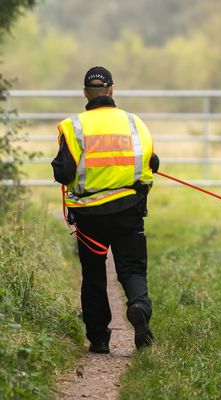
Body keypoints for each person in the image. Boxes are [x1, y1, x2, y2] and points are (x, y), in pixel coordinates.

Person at [51, 66, 159, 353]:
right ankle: (138, 307)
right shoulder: (134, 123)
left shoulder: (73, 127)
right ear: (112, 91)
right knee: (132, 268)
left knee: (94, 275)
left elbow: (64, 172)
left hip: (89, 216)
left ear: (86, 93)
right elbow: (151, 162)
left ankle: (99, 339)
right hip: (128, 210)